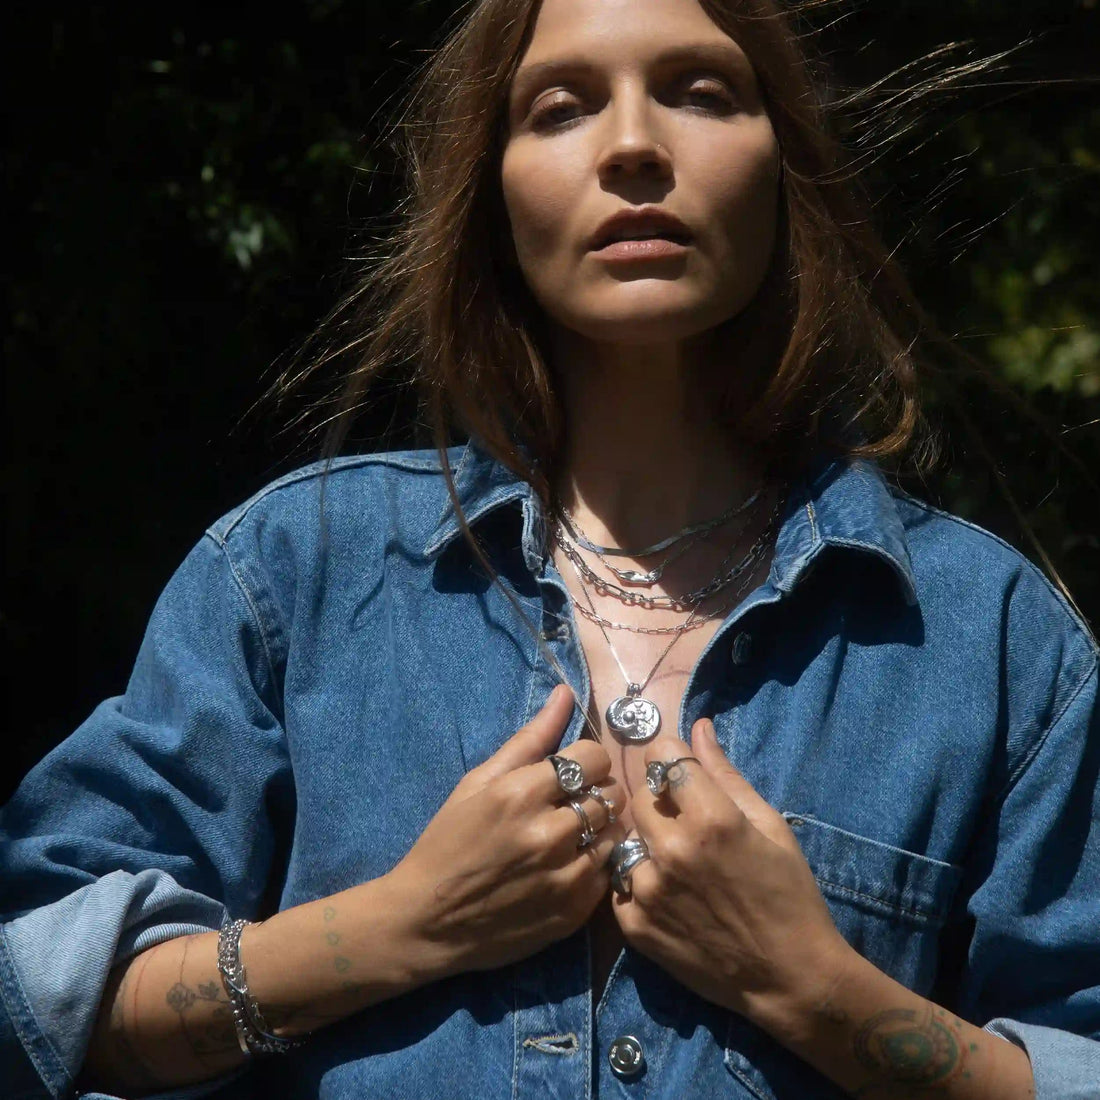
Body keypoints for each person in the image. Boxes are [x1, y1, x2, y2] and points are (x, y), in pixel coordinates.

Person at [2, 0, 1098, 1097]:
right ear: (492, 190)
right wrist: (400, 924)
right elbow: (41, 1004)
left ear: (783, 165)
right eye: (560, 105)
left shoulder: (988, 640)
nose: (633, 144)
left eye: (700, 91)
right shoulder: (291, 578)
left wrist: (815, 989)